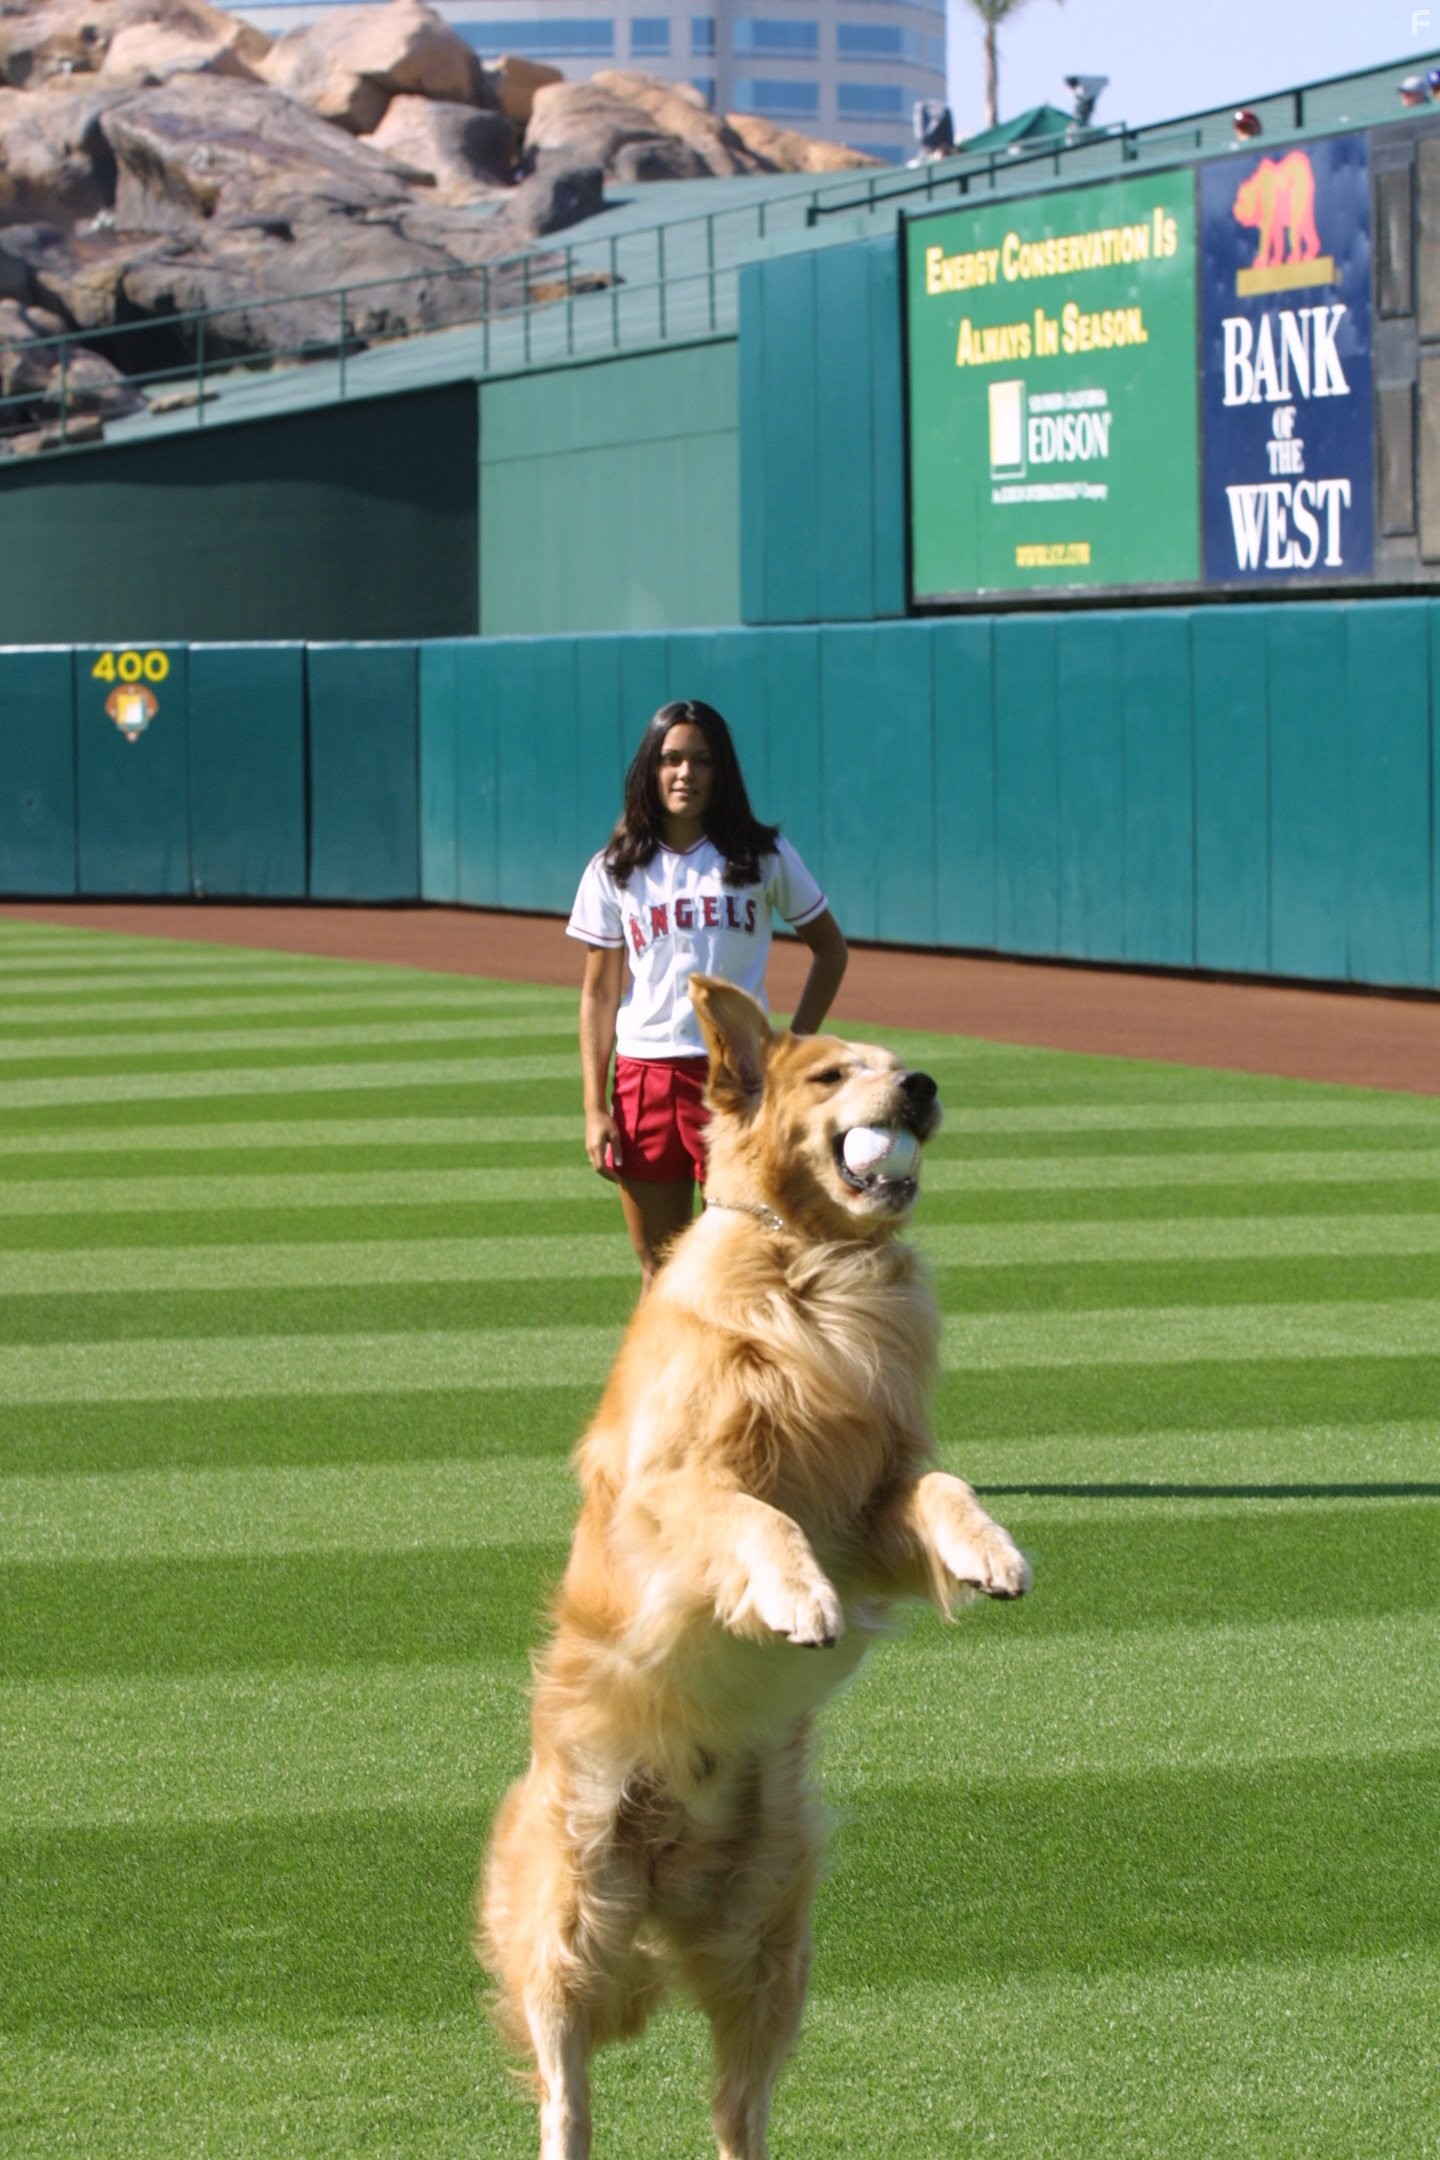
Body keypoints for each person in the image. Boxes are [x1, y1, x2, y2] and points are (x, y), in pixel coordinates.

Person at [567, 698, 848, 1291]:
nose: (685, 773)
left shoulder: (762, 856)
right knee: (661, 1271)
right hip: (645, 1078)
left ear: (722, 772)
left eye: (702, 760)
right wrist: (594, 1106)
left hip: (739, 1078)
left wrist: (793, 1045)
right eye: (671, 759)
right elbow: (599, 994)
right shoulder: (615, 867)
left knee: (750, 1264)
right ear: (650, 769)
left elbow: (831, 950)